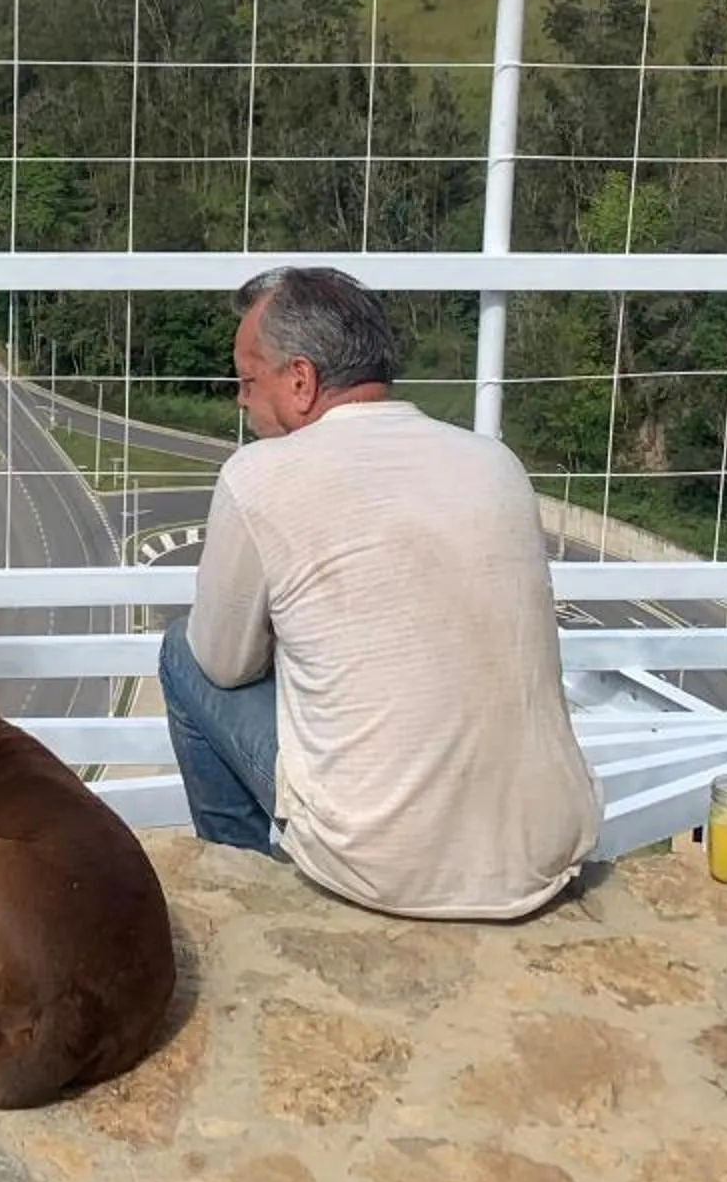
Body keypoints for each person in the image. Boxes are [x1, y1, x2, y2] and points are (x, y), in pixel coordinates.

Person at [156, 266, 598, 920]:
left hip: (380, 863)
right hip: (546, 849)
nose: (241, 401)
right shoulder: (494, 463)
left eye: (248, 380)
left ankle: (239, 882)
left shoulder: (259, 476)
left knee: (181, 654)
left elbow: (224, 664)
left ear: (300, 380)